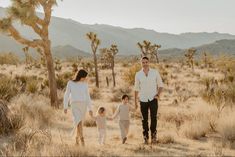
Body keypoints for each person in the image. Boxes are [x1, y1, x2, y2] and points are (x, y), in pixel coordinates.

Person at [134, 56, 164, 144]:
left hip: (153, 99)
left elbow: (161, 85)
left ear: (149, 62)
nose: (145, 64)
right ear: (141, 63)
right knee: (144, 120)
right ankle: (145, 139)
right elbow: (136, 89)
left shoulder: (155, 72)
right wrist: (135, 102)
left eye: (146, 62)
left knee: (154, 118)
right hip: (142, 100)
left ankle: (154, 138)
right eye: (143, 62)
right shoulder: (138, 74)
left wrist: (158, 95)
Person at [63, 69, 93, 146]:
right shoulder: (70, 83)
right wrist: (65, 106)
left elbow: (87, 97)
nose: (85, 78)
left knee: (79, 123)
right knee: (78, 121)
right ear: (81, 76)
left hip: (83, 105)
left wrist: (90, 109)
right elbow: (66, 95)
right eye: (84, 77)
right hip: (74, 105)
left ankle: (76, 139)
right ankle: (82, 139)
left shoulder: (85, 84)